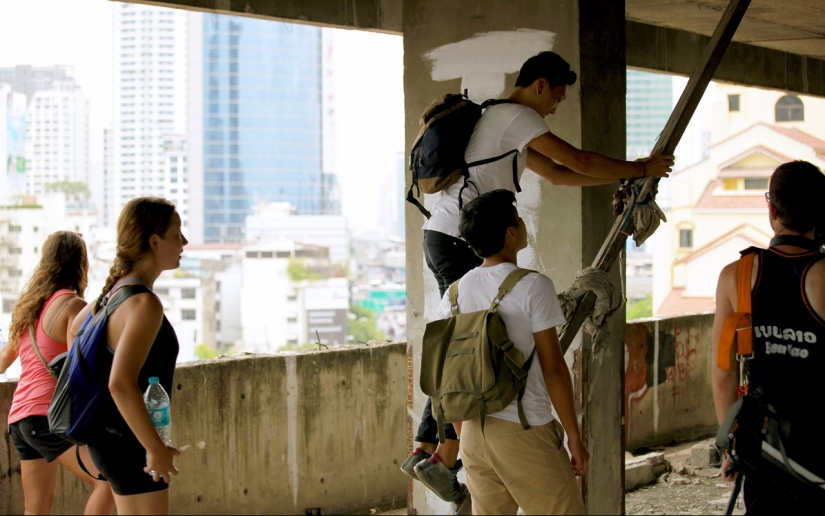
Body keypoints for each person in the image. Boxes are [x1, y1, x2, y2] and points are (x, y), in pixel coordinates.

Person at [403, 50, 674, 496]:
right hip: (458, 235)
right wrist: (642, 168)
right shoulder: (515, 116)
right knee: (467, 342)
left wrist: (623, 178)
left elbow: (562, 175)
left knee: (464, 335)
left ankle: (430, 451)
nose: (554, 109)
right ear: (541, 84)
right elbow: (579, 160)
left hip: (446, 234)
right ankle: (443, 454)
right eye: (557, 99)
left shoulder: (499, 123)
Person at [418, 189, 587, 513]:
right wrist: (574, 436)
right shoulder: (533, 286)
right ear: (511, 233)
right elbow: (553, 370)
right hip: (523, 430)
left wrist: (463, 433)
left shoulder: (456, 292)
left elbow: (446, 375)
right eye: (518, 218)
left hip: (473, 434)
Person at [712, 161, 825, 514]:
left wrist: (730, 445)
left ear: (772, 209)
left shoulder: (736, 275)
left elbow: (723, 371)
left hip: (762, 447)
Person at [72, 197, 186, 515]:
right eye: (177, 233)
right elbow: (120, 384)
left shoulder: (109, 297)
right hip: (130, 440)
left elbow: (76, 338)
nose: (184, 242)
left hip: (108, 438)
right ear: (154, 241)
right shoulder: (144, 304)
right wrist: (154, 448)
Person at [0, 231, 115, 515]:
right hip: (50, 416)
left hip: (20, 421)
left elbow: (3, 361)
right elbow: (82, 365)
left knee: (36, 508)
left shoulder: (29, 308)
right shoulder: (72, 305)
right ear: (81, 264)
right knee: (109, 482)